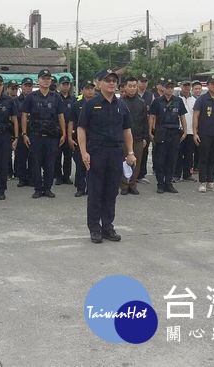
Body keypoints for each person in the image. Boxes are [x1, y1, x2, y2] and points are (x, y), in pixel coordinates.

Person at [77, 69, 136, 243]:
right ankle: (95, 228)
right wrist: (83, 152)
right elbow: (81, 128)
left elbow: (127, 130)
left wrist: (130, 152)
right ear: (99, 83)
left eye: (114, 80)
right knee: (95, 192)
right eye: (108, 80)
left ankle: (108, 227)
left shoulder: (121, 105)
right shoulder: (90, 104)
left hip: (115, 153)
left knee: (111, 192)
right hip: (96, 153)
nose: (111, 83)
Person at [21, 69, 66, 199]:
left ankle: (47, 188)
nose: (46, 81)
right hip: (36, 135)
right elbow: (24, 116)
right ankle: (37, 189)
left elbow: (61, 116)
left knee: (50, 163)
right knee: (35, 163)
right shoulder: (31, 97)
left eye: (48, 78)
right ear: (38, 80)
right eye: (43, 78)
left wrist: (63, 134)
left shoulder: (56, 97)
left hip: (52, 136)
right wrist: (24, 133)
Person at [149, 79, 187, 194]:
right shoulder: (157, 101)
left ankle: (168, 183)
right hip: (161, 131)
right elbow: (152, 116)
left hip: (174, 132)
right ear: (163, 88)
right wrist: (150, 131)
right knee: (160, 159)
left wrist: (185, 131)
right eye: (167, 87)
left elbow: (182, 117)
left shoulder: (178, 101)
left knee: (172, 159)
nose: (169, 89)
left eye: (171, 87)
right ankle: (160, 183)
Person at [120, 76, 148, 195]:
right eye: (130, 86)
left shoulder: (141, 102)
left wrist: (145, 138)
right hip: (123, 139)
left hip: (138, 138)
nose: (132, 89)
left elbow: (145, 121)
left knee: (137, 163)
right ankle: (124, 185)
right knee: (123, 162)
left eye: (134, 86)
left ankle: (133, 184)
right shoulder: (120, 102)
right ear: (125, 87)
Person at [68, 80, 96, 197]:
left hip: (94, 139)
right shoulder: (76, 105)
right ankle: (80, 188)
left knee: (94, 165)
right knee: (80, 165)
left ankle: (92, 188)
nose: (90, 90)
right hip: (80, 139)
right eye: (87, 88)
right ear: (82, 90)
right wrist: (69, 137)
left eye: (92, 88)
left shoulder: (99, 103)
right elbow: (71, 122)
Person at [55, 76, 75, 186]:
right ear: (59, 85)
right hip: (57, 131)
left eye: (67, 84)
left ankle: (66, 176)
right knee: (57, 155)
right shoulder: (55, 97)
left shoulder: (74, 99)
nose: (66, 86)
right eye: (63, 84)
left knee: (68, 155)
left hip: (70, 130)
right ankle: (58, 176)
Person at [175, 80, 196, 182]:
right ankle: (176, 174)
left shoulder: (194, 100)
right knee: (178, 153)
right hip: (180, 131)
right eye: (185, 86)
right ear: (181, 86)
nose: (187, 88)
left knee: (189, 154)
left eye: (189, 86)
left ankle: (187, 174)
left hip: (191, 131)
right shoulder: (177, 99)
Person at [14, 77, 33, 187]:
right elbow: (15, 117)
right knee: (21, 156)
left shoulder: (35, 99)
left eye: (30, 85)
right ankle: (22, 178)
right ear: (21, 87)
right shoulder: (15, 101)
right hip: (21, 131)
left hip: (33, 131)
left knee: (33, 156)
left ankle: (31, 177)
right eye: (25, 85)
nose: (28, 87)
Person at [136, 73, 154, 184]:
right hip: (134, 126)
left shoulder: (150, 95)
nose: (143, 83)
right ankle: (132, 175)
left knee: (144, 151)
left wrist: (150, 129)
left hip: (145, 127)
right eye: (141, 81)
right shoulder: (133, 94)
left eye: (145, 81)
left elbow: (152, 114)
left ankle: (141, 174)